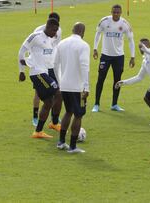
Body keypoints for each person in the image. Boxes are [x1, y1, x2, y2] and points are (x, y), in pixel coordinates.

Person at [18, 18, 60, 138]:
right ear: (47, 26)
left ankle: (38, 131)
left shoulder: (49, 40)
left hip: (44, 72)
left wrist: (28, 62)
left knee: (48, 102)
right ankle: (53, 122)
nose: (55, 33)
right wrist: (21, 71)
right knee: (58, 92)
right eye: (54, 30)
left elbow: (39, 57)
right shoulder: (35, 36)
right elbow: (21, 51)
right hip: (37, 74)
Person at [53, 22, 90, 153]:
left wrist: (59, 81)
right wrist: (86, 87)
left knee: (68, 111)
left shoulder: (61, 43)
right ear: (83, 32)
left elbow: (55, 64)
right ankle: (73, 146)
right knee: (78, 115)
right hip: (78, 87)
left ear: (72, 30)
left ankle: (61, 142)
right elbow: (85, 66)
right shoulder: (83, 45)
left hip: (64, 85)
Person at [92, 4, 135, 112]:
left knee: (117, 81)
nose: (115, 14)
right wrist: (95, 48)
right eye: (114, 12)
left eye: (118, 12)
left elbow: (131, 40)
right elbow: (98, 34)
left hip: (119, 57)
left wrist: (132, 56)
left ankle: (114, 104)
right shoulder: (104, 21)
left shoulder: (125, 24)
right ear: (111, 12)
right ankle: (96, 104)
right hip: (105, 55)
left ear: (121, 13)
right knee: (100, 79)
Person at [31, 12, 63, 129]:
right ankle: (35, 115)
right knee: (38, 93)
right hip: (40, 67)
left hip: (52, 65)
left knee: (56, 92)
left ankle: (54, 119)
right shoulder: (38, 30)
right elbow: (32, 48)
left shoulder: (59, 31)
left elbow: (57, 46)